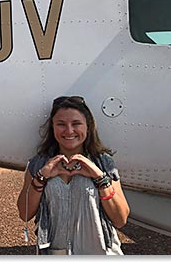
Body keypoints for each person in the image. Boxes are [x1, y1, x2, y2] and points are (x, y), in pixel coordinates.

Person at [17, 96, 130, 255]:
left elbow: (120, 219)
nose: (69, 131)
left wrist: (100, 178)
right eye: (61, 124)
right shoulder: (39, 164)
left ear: (88, 127)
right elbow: (25, 213)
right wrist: (41, 177)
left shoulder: (103, 163)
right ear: (53, 128)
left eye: (76, 124)